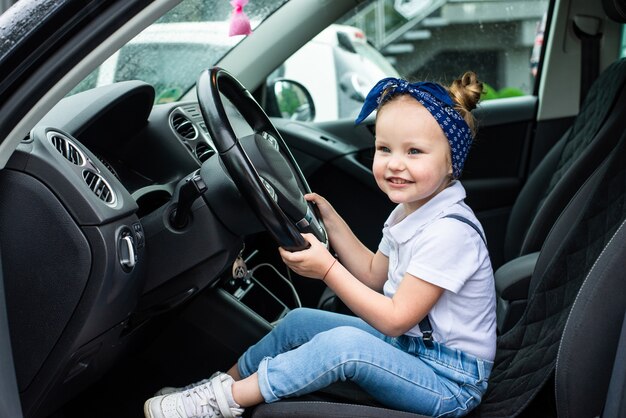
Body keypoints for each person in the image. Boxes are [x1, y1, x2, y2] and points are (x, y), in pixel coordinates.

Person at [143, 72, 497, 418]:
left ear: (453, 162)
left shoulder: (449, 233)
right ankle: (216, 386)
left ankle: (226, 401)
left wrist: (327, 268)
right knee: (298, 322)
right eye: (384, 148)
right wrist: (333, 223)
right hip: (415, 349)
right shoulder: (411, 211)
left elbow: (394, 320)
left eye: (414, 152)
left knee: (343, 346)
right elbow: (375, 275)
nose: (394, 164)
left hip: (451, 382)